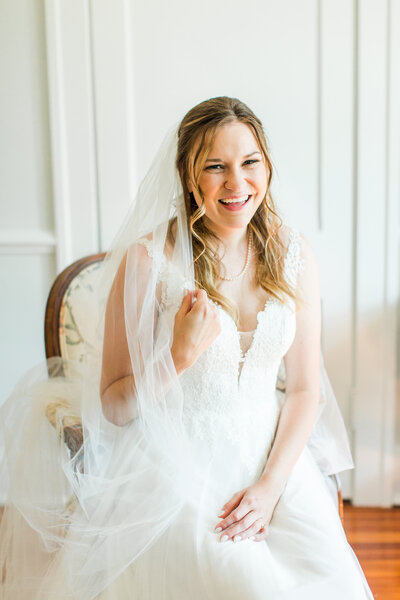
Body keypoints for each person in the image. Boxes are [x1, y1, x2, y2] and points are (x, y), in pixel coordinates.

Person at [0, 96, 373, 599]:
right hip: (175, 468)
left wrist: (270, 489)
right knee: (247, 586)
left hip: (272, 459)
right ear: (188, 175)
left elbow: (305, 391)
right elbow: (112, 406)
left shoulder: (293, 255)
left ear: (267, 165)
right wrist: (177, 356)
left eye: (249, 163)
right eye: (215, 167)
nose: (237, 184)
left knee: (327, 579)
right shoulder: (149, 263)